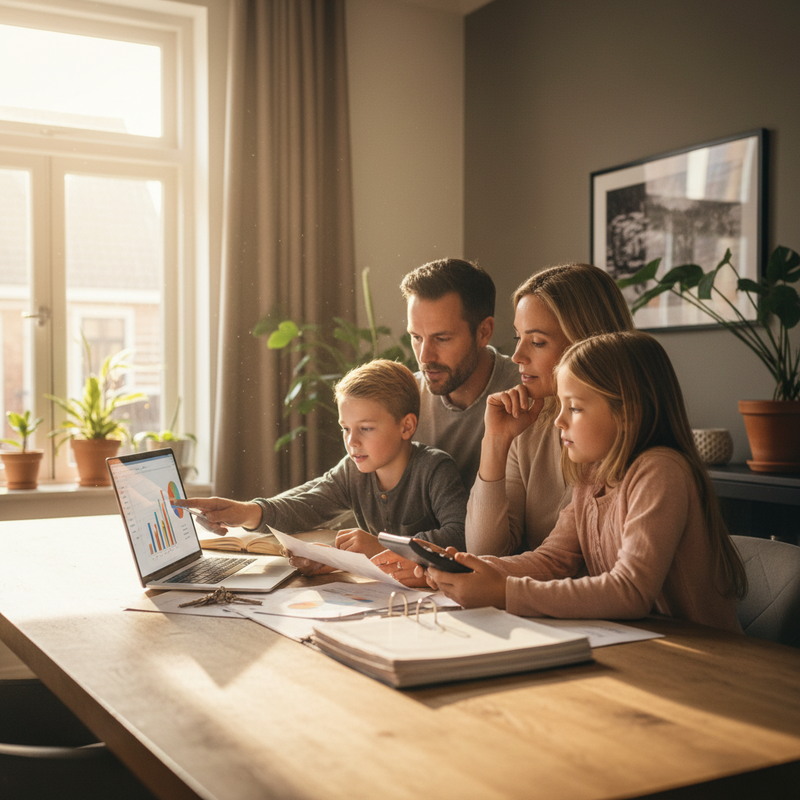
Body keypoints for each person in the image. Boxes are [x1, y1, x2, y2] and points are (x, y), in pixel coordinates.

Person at [422, 331, 747, 633]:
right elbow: (551, 560)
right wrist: (471, 568)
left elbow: (630, 591)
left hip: (708, 654)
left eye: (574, 408)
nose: (559, 420)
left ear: (627, 413)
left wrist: (503, 591)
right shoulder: (592, 477)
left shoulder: (660, 472)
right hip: (647, 644)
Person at [179, 360, 468, 585]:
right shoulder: (353, 471)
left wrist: (377, 546)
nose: (352, 442)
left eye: (366, 429)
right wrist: (245, 512)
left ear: (406, 426)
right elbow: (305, 505)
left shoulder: (435, 469)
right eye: (346, 428)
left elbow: (460, 536)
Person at [467, 262, 635, 556]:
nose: (517, 356)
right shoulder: (528, 423)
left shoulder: (627, 439)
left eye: (538, 342)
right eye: (519, 338)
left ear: (587, 343)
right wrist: (495, 441)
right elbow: (486, 551)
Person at [401, 258, 520, 490]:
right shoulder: (404, 397)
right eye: (416, 337)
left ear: (484, 332)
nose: (424, 357)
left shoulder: (525, 395)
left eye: (442, 339)